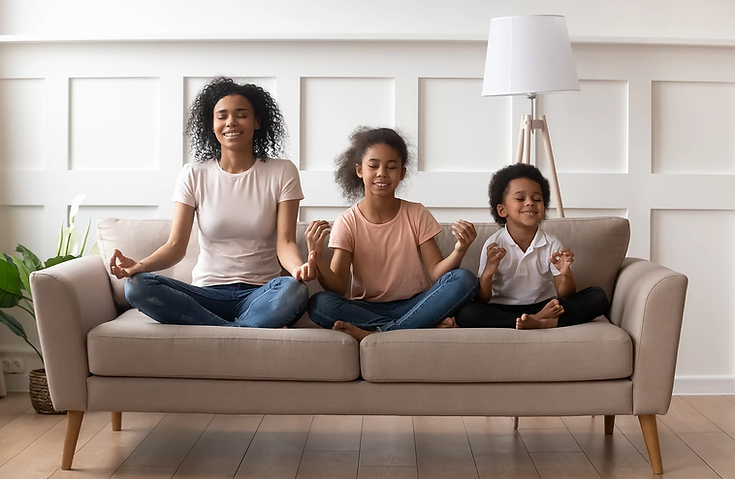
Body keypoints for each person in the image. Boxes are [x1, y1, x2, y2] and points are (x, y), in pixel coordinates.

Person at [108, 77, 314, 328]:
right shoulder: (193, 174)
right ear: (212, 123)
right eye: (222, 115)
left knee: (295, 290)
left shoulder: (282, 171)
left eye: (241, 115)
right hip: (206, 294)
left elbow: (286, 242)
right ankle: (240, 330)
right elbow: (175, 245)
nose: (231, 122)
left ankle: (217, 330)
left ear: (257, 121)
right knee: (137, 286)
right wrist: (138, 266)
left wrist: (298, 269)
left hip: (260, 293)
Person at [305, 127, 478, 341]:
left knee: (465, 279)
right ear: (359, 170)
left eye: (391, 167)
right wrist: (317, 256)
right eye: (373, 165)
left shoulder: (416, 213)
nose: (382, 173)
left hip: (416, 303)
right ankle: (419, 326)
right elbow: (339, 287)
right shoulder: (347, 222)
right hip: (366, 308)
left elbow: (436, 273)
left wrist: (460, 250)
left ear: (402, 173)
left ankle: (378, 333)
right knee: (320, 303)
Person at [455, 163, 608, 329]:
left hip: (545, 305)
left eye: (537, 199)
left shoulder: (551, 243)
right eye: (520, 199)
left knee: (597, 296)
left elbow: (566, 294)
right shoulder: (494, 244)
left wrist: (566, 273)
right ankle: (538, 320)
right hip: (501, 308)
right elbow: (482, 299)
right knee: (466, 312)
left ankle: (540, 320)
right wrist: (488, 273)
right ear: (502, 210)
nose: (530, 203)